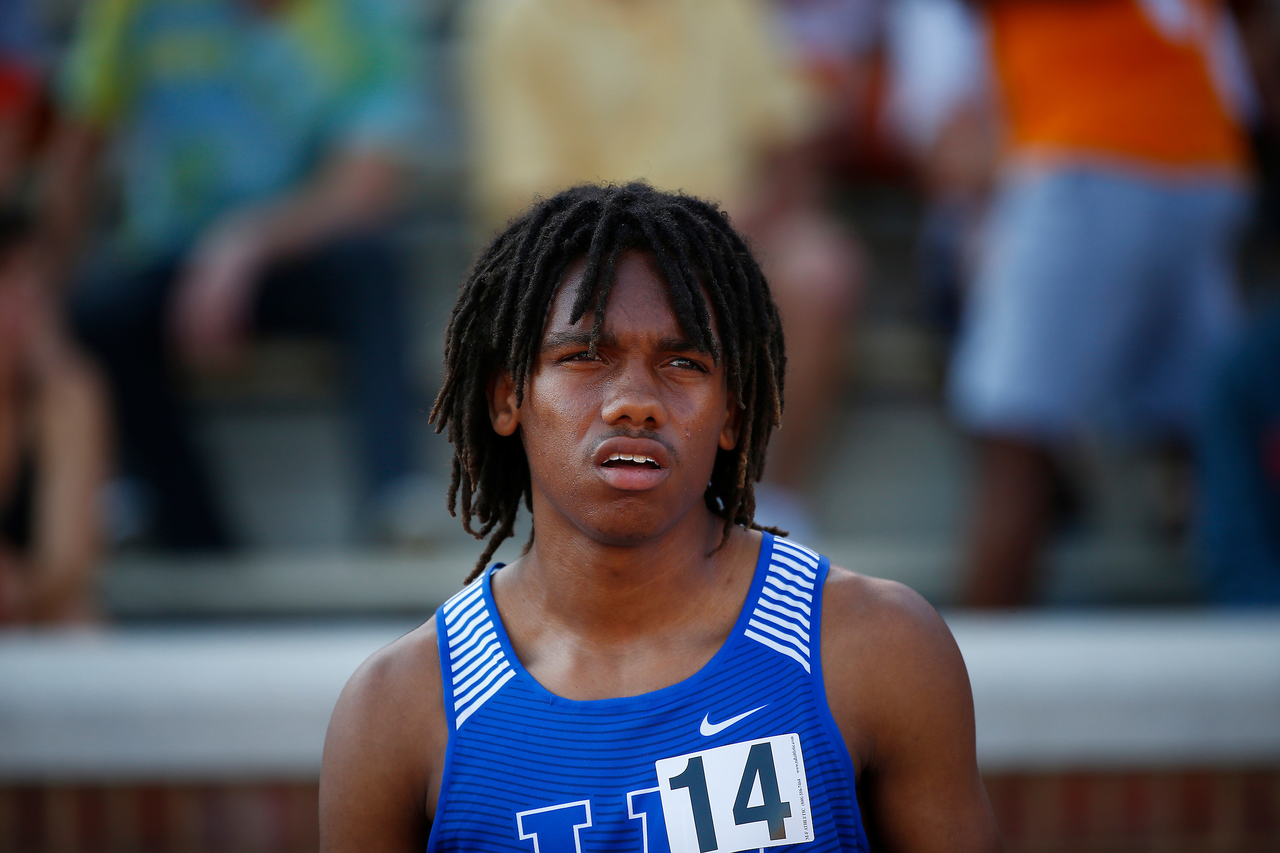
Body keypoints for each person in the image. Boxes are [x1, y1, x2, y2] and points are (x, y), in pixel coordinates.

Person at [320, 184, 1001, 852]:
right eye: (585, 356)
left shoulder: (876, 647)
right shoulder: (397, 709)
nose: (635, 403)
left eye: (682, 362)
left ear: (731, 413)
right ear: (507, 398)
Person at [462, 0, 864, 538]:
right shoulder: (518, 18)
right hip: (594, 245)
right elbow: (531, 197)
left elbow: (788, 135)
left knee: (821, 271)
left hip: (743, 233)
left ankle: (777, 498)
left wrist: (735, 229)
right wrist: (657, 242)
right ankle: (593, 497)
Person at [34, 0, 426, 550]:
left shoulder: (367, 14)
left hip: (302, 252)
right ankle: (190, 534)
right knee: (96, 313)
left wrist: (243, 244)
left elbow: (367, 188)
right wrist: (37, 291)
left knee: (372, 262)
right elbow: (73, 156)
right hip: (166, 260)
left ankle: (396, 498)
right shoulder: (129, 11)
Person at [950, 0, 1259, 606]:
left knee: (1015, 433)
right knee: (1209, 431)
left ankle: (967, 686)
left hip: (1091, 153)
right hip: (1201, 155)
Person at [0, 208, 108, 624]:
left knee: (77, 622)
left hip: (31, 608)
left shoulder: (67, 396)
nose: (26, 296)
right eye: (8, 281)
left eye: (33, 280)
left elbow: (67, 564)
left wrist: (19, 588)